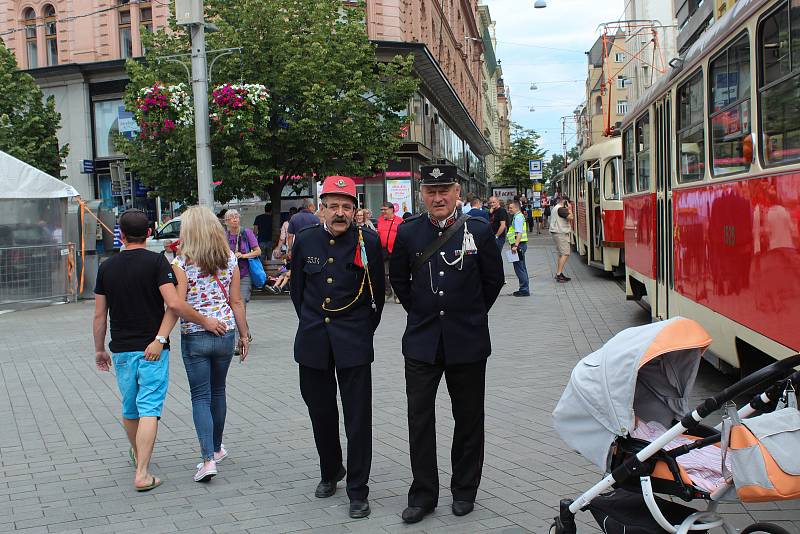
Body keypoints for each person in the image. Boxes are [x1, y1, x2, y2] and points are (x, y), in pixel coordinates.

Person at [389, 164, 504, 524]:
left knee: (468, 418)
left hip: (467, 341)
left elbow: (493, 282)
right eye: (430, 191)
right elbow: (400, 282)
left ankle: (464, 490)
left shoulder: (480, 230)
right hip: (422, 342)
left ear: (457, 192)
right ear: (422, 194)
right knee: (419, 419)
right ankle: (423, 495)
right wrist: (425, 313)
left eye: (445, 190)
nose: (437, 198)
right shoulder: (409, 233)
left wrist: (466, 314)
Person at [93, 209, 227, 492]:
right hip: (153, 348)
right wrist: (176, 331)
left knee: (130, 408)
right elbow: (174, 305)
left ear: (121, 234)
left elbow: (99, 315)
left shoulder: (106, 267)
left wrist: (99, 350)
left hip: (120, 349)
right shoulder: (157, 262)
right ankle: (142, 472)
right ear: (151, 232)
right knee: (149, 409)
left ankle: (138, 454)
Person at [290, 175, 385, 519]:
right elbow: (298, 292)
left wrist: (359, 332)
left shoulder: (369, 242)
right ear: (322, 209)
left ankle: (358, 490)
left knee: (358, 418)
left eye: (346, 206)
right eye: (333, 206)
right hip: (313, 340)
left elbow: (378, 297)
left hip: (353, 342)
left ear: (355, 210)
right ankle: (331, 471)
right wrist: (315, 323)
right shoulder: (305, 240)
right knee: (321, 413)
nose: (340, 212)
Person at [171, 206, 250, 482]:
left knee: (200, 396)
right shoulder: (229, 259)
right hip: (225, 333)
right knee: (219, 391)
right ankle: (217, 449)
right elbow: (236, 301)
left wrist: (202, 320)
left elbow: (178, 304)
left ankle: (207, 460)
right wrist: (244, 335)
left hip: (195, 335)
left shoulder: (181, 263)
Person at [224, 210, 260, 350]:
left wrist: (243, 255)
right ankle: (245, 331)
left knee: (241, 304)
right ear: (226, 221)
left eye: (236, 217)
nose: (234, 219)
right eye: (231, 218)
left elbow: (258, 251)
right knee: (233, 307)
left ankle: (240, 341)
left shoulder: (246, 233)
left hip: (244, 274)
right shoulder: (224, 236)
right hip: (229, 276)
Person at [377, 201, 404, 303]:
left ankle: (397, 295)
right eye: (381, 210)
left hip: (395, 250)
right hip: (383, 251)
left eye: (384, 209)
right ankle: (388, 292)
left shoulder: (400, 221)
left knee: (396, 274)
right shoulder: (380, 220)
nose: (382, 211)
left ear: (392, 209)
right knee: (383, 273)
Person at [506, 201, 530, 297]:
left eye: (511, 208)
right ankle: (525, 288)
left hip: (518, 245)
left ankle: (524, 290)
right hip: (520, 245)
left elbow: (519, 233)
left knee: (519, 268)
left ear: (516, 208)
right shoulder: (518, 217)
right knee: (522, 267)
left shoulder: (518, 217)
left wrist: (515, 245)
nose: (509, 210)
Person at [550, 195, 573, 283]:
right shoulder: (561, 209)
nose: (569, 204)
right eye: (568, 202)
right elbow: (571, 217)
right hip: (561, 233)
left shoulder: (556, 208)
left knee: (561, 254)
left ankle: (559, 273)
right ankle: (559, 274)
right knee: (565, 253)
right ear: (565, 202)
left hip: (557, 233)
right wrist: (570, 209)